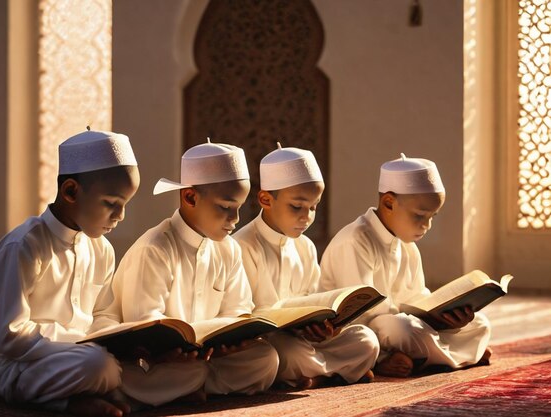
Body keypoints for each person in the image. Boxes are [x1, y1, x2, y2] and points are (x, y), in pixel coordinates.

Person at [99, 139, 279, 403]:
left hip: (206, 359)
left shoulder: (228, 249)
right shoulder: (155, 247)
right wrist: (172, 352)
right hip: (156, 363)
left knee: (266, 359)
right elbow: (144, 326)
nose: (235, 219)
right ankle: (188, 386)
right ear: (190, 197)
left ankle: (185, 389)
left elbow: (238, 310)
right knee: (176, 371)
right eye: (225, 207)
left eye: (239, 208)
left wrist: (232, 341)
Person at [0, 130, 140, 417]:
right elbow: (12, 336)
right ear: (71, 192)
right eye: (111, 203)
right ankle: (68, 402)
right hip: (18, 364)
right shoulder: (23, 246)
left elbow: (102, 313)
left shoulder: (102, 250)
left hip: (81, 355)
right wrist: (84, 343)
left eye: (125, 204)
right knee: (98, 365)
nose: (120, 216)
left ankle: (86, 393)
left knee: (142, 365)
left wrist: (121, 338)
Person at [319, 154, 491, 377]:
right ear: (389, 203)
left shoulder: (407, 245)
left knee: (479, 323)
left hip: (404, 324)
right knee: (401, 328)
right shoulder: (355, 240)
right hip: (362, 328)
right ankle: (385, 360)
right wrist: (425, 319)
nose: (427, 225)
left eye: (432, 217)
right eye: (420, 215)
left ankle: (434, 358)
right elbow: (362, 313)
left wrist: (446, 317)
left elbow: (416, 297)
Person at [233, 143, 379, 389]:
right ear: (265, 199)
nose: (306, 216)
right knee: (285, 353)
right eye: (297, 206)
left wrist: (323, 326)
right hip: (274, 340)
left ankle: (316, 377)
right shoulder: (242, 245)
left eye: (313, 207)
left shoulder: (306, 246)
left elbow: (314, 301)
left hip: (307, 340)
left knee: (367, 340)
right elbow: (247, 317)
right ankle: (336, 373)